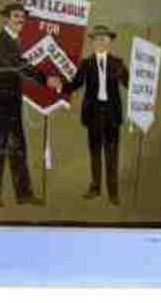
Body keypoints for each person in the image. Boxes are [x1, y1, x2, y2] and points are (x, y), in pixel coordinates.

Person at [47, 25, 129, 205]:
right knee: (95, 153)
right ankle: (95, 188)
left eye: (104, 39)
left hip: (112, 115)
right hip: (93, 115)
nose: (101, 42)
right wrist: (60, 86)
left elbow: (130, 84)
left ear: (110, 42)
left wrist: (142, 83)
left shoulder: (118, 63)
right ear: (92, 43)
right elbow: (75, 84)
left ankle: (113, 193)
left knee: (112, 155)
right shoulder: (86, 63)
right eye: (97, 39)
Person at [0, 3, 46, 208]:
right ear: (7, 18)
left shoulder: (15, 40)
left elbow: (19, 63)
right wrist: (43, 78)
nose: (20, 19)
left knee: (18, 149)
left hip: (13, 104)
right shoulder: (1, 40)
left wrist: (43, 78)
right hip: (0, 104)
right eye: (16, 16)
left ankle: (24, 194)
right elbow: (15, 64)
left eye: (22, 16)